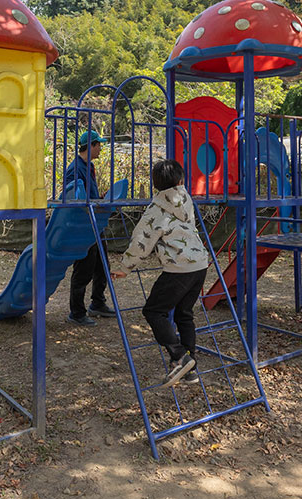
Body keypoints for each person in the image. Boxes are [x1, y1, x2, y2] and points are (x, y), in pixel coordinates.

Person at [112, 160, 210, 387]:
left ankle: (180, 356)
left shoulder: (156, 209)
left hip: (179, 268)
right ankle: (189, 368)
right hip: (200, 265)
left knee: (153, 311)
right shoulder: (186, 199)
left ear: (155, 185)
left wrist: (126, 267)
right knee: (184, 314)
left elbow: (142, 240)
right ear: (181, 180)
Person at [63, 130, 117, 326]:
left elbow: (88, 194)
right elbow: (73, 197)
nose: (101, 148)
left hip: (95, 221)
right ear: (91, 145)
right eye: (99, 145)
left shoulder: (89, 166)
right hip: (83, 225)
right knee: (84, 269)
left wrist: (100, 199)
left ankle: (98, 303)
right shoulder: (75, 169)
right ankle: (76, 313)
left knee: (102, 265)